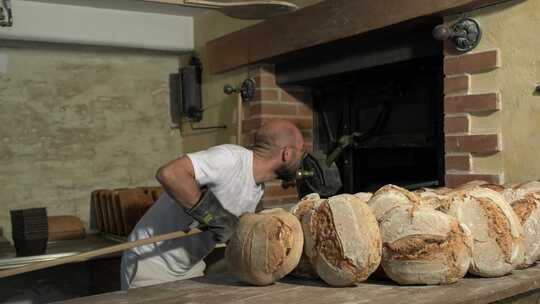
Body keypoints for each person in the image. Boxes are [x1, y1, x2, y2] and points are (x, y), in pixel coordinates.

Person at [120, 119, 305, 289]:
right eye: (301, 151)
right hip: (151, 262)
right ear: (287, 154)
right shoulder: (230, 158)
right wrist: (214, 217)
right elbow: (170, 174)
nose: (301, 160)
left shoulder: (257, 187)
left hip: (189, 268)